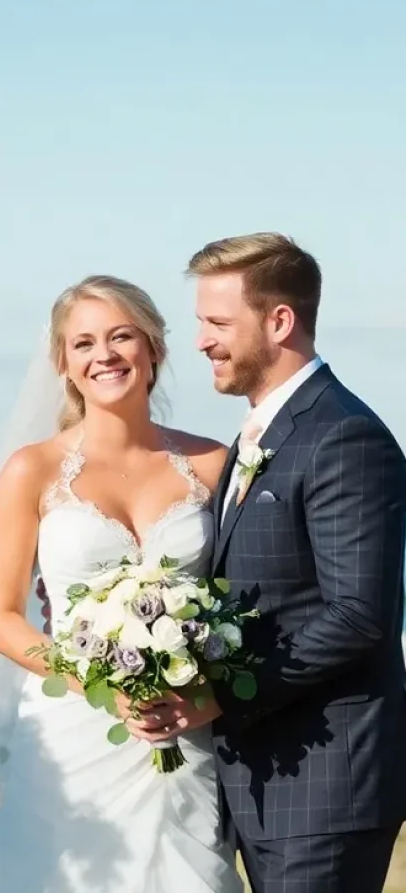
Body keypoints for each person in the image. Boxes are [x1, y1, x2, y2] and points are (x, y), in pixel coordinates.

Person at [0, 275, 245, 893]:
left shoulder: (213, 464)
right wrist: (104, 686)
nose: (103, 355)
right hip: (71, 734)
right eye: (83, 344)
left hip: (184, 728)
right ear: (63, 364)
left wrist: (200, 693)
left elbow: (243, 599)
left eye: (121, 336)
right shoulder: (34, 470)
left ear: (153, 348)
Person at [127, 234, 406, 893]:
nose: (200, 342)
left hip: (326, 782)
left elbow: (358, 615)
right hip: (267, 775)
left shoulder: (344, 436)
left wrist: (214, 699)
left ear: (280, 321)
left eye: (218, 323)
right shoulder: (258, 435)